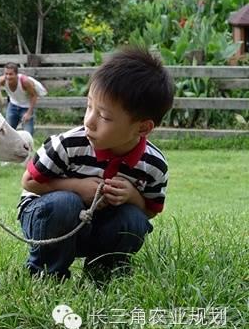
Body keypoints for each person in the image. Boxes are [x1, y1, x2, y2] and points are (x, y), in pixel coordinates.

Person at [17, 47, 174, 283]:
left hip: (99, 228)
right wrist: (76, 188)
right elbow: (29, 182)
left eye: (105, 116)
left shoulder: (153, 164)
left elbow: (150, 211)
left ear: (142, 128)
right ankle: (46, 273)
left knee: (133, 218)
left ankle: (102, 271)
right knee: (65, 203)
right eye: (89, 106)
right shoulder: (68, 144)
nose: (89, 121)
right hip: (47, 220)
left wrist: (132, 196)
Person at [0, 62, 38, 136]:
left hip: (26, 107)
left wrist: (29, 113)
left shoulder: (24, 82)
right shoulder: (2, 80)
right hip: (13, 106)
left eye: (11, 74)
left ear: (16, 74)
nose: (8, 76)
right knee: (8, 133)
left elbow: (34, 95)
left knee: (28, 134)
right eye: (6, 74)